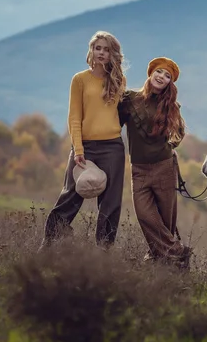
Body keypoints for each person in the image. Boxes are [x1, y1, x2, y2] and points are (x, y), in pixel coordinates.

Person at [40, 30, 127, 250]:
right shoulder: (79, 79)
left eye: (106, 49)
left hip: (113, 148)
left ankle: (103, 252)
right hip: (84, 148)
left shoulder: (118, 80)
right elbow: (74, 117)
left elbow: (125, 113)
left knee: (110, 203)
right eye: (98, 48)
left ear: (112, 54)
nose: (101, 53)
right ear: (91, 51)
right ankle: (49, 245)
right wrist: (78, 149)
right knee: (70, 196)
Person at [118, 56, 192, 268]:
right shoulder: (130, 100)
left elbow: (179, 133)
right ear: (151, 73)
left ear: (170, 82)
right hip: (139, 171)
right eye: (159, 72)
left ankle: (165, 268)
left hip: (164, 169)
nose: (162, 77)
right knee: (145, 216)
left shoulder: (171, 106)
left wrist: (170, 147)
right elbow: (114, 124)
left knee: (166, 223)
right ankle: (179, 253)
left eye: (167, 76)